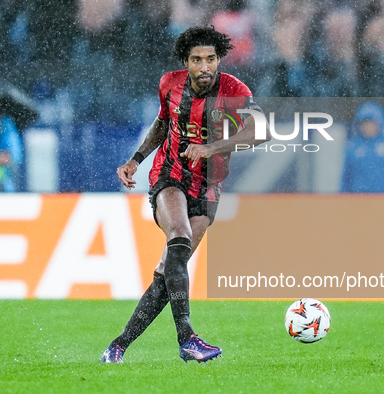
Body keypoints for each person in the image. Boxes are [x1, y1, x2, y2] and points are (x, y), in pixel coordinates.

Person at [101, 26, 268, 364]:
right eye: (196, 60)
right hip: (170, 174)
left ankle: (116, 347)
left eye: (210, 59)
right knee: (179, 236)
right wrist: (135, 160)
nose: (204, 67)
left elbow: (260, 132)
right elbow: (163, 123)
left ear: (219, 60)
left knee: (168, 273)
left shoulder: (236, 90)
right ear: (185, 62)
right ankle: (188, 338)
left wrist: (212, 147)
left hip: (209, 188)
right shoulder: (169, 84)